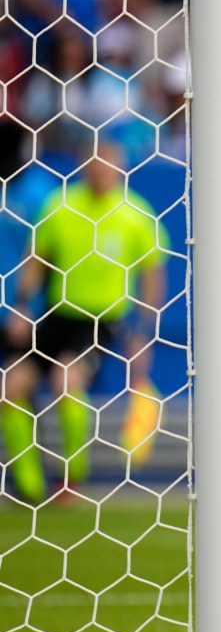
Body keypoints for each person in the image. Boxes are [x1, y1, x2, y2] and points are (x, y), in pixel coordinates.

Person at [1, 143, 167, 503]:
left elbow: (153, 276)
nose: (101, 175)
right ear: (83, 169)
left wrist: (143, 333)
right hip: (57, 313)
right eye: (95, 168)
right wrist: (21, 305)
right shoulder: (60, 206)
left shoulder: (136, 215)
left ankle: (72, 478)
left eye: (109, 169)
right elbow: (36, 259)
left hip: (102, 321)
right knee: (10, 387)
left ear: (120, 171)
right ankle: (29, 486)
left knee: (65, 379)